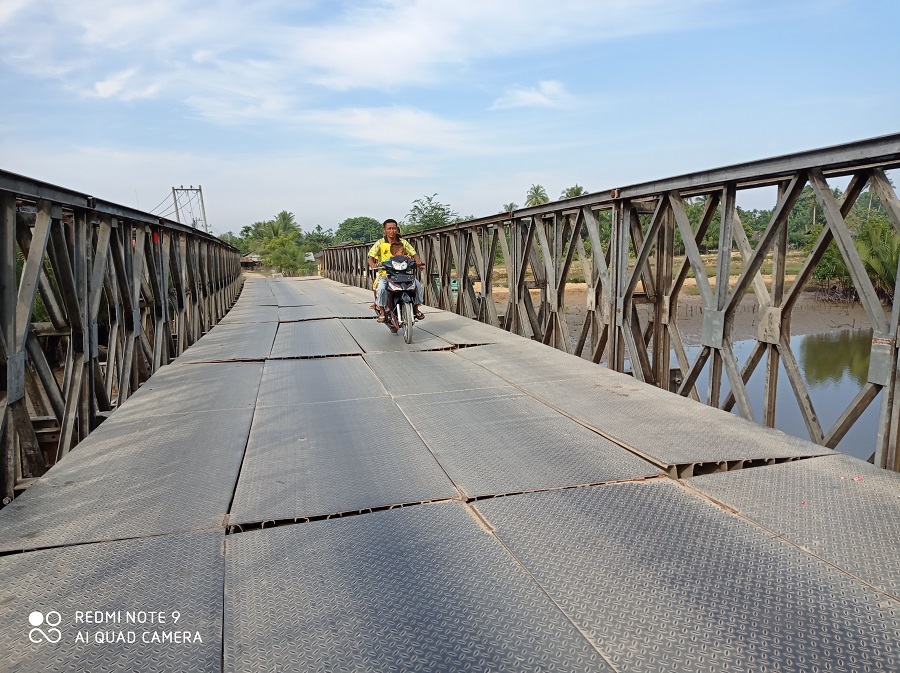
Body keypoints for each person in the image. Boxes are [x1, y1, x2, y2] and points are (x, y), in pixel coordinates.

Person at [367, 219, 425, 323]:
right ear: (384, 230)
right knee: (380, 288)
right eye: (389, 228)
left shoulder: (403, 242)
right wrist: (372, 263)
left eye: (394, 228)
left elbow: (414, 253)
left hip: (403, 273)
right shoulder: (380, 243)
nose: (392, 231)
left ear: (397, 229)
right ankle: (383, 312)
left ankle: (416, 309)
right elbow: (370, 256)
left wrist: (418, 262)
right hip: (385, 274)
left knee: (418, 286)